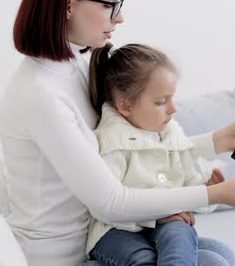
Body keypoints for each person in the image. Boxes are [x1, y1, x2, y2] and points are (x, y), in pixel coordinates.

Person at [0, 0, 235, 266]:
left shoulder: (81, 65)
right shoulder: (41, 94)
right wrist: (215, 194)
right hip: (66, 255)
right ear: (68, 4)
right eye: (109, 4)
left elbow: (126, 148)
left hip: (114, 236)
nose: (119, 18)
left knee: (219, 253)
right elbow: (111, 201)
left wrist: (218, 141)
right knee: (212, 261)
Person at [86, 43, 224, 266]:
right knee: (145, 259)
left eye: (172, 98)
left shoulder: (170, 133)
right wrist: (156, 216)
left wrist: (207, 190)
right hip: (116, 232)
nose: (173, 108)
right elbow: (107, 207)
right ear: (125, 106)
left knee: (214, 249)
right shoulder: (111, 142)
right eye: (161, 102)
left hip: (161, 227)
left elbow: (186, 188)